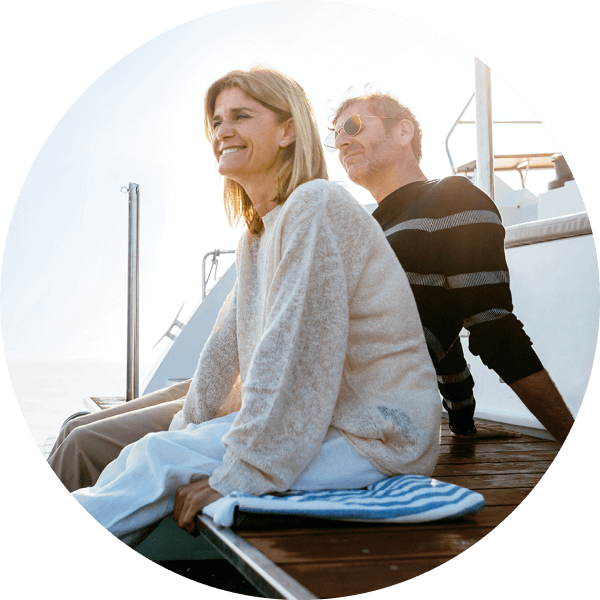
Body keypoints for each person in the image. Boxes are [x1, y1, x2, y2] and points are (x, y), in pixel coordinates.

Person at [50, 68, 442, 547]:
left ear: (287, 130)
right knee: (154, 453)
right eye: (216, 122)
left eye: (240, 116)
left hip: (380, 438)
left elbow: (296, 360)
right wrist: (185, 431)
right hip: (328, 426)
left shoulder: (317, 205)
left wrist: (237, 475)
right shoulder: (256, 238)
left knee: (159, 461)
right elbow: (220, 360)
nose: (222, 132)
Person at [327, 90, 574, 444]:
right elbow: (431, 320)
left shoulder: (452, 198)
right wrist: (462, 422)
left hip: (360, 422)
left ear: (403, 132)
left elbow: (492, 327)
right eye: (336, 134)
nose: (343, 141)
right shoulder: (369, 229)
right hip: (327, 404)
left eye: (353, 126)